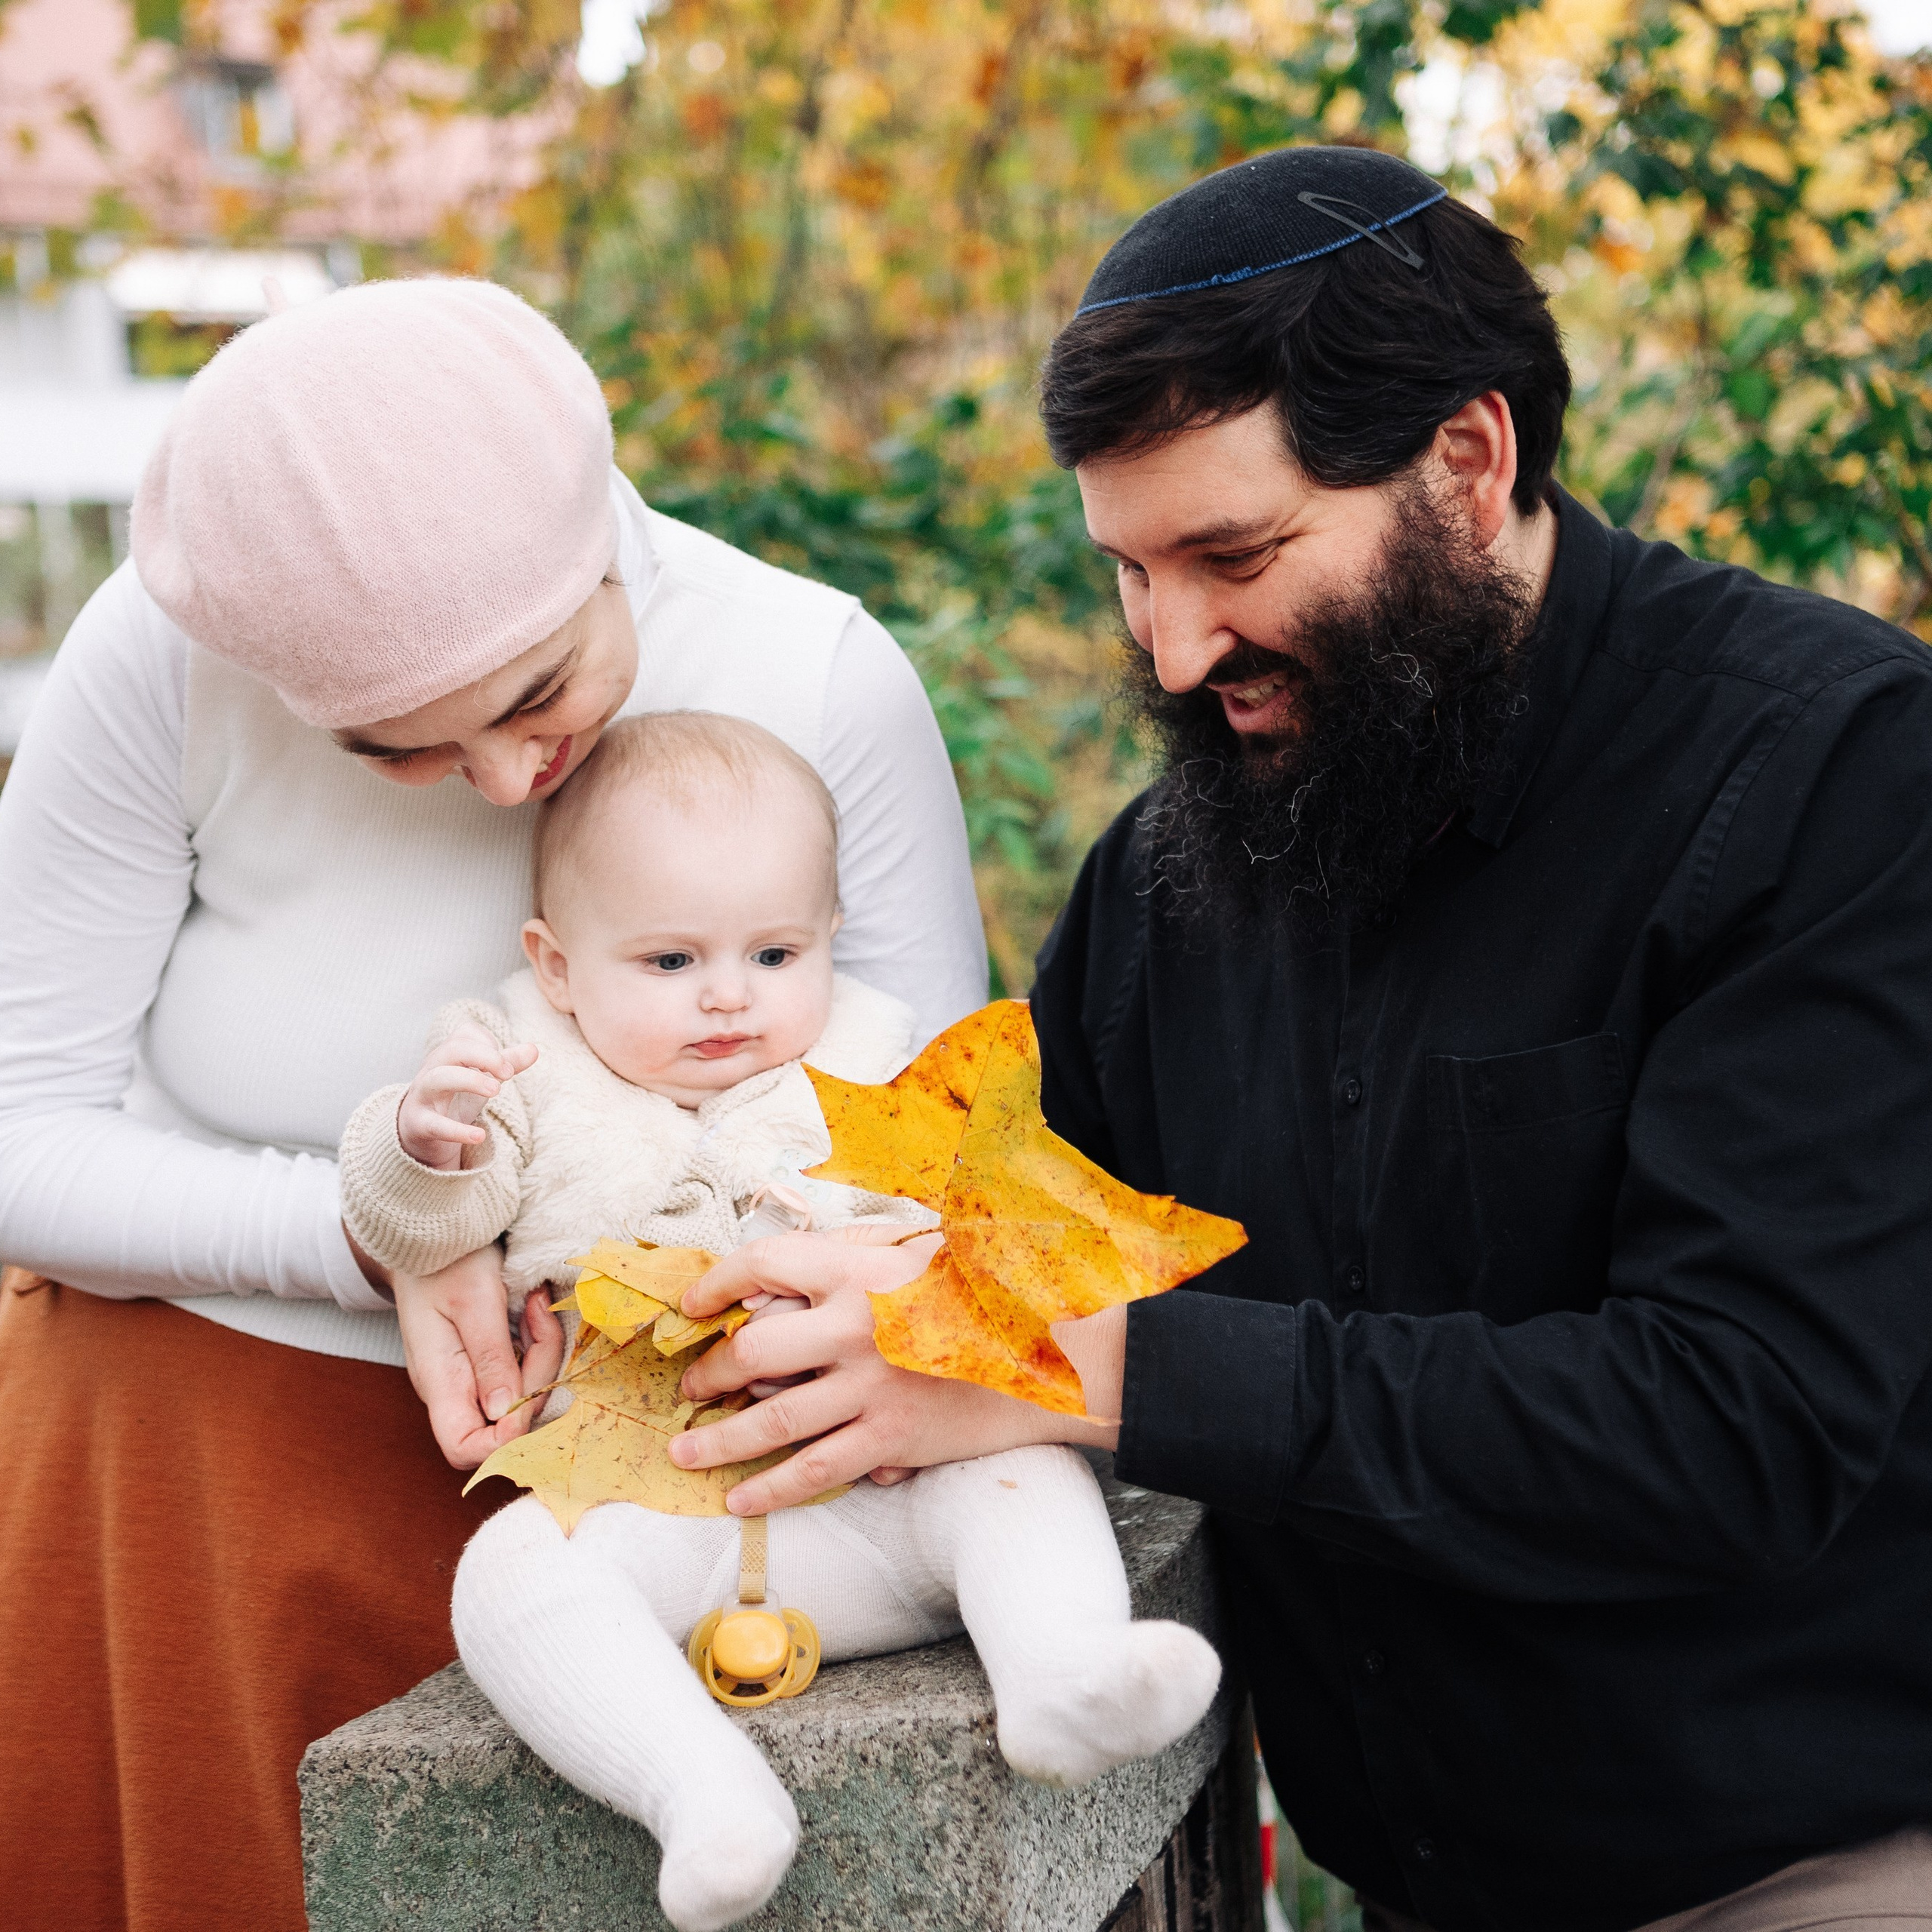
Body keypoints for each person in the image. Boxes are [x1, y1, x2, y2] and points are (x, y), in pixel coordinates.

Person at [658, 148, 1932, 1930]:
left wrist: (1095, 1362)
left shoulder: (1833, 772)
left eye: (1233, 555)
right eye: (1125, 573)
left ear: (1465, 465)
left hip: (1807, 1870)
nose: (1173, 652)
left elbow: (1735, 1426)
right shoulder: (1166, 876)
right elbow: (987, 1265)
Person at [0, 278, 986, 1932]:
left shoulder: (811, 671)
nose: (513, 782)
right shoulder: (166, 658)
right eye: (395, 749)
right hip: (189, 1487)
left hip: (672, 1492)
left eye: (538, 691)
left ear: (598, 536)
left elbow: (931, 1161)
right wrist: (366, 1231)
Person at [337, 709, 1220, 1932]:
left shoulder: (871, 1070)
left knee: (1019, 1472)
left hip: (882, 1498)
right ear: (555, 966)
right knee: (508, 1578)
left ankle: (1062, 1675)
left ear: (831, 942)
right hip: (657, 1509)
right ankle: (700, 1793)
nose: (728, 1000)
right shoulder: (516, 1077)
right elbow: (425, 1229)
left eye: (773, 955)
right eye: (669, 963)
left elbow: (974, 1252)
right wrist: (421, 1154)